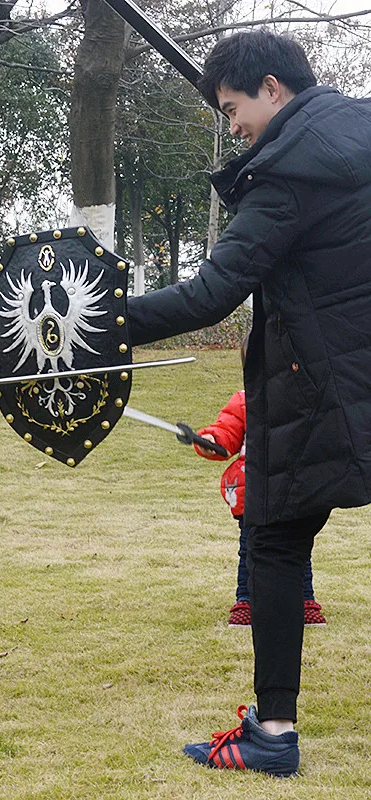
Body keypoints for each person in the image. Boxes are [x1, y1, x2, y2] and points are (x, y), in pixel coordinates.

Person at [127, 30, 371, 776]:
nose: (232, 127)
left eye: (233, 108)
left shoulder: (288, 175)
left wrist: (98, 322)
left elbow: (211, 294)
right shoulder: (359, 128)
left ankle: (274, 732)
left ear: (272, 88)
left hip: (325, 383)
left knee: (273, 539)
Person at [194, 384, 326, 627]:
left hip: (295, 488)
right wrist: (212, 440)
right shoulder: (245, 401)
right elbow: (227, 431)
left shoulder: (307, 394)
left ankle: (305, 599)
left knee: (299, 548)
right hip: (254, 492)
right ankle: (246, 600)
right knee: (250, 548)